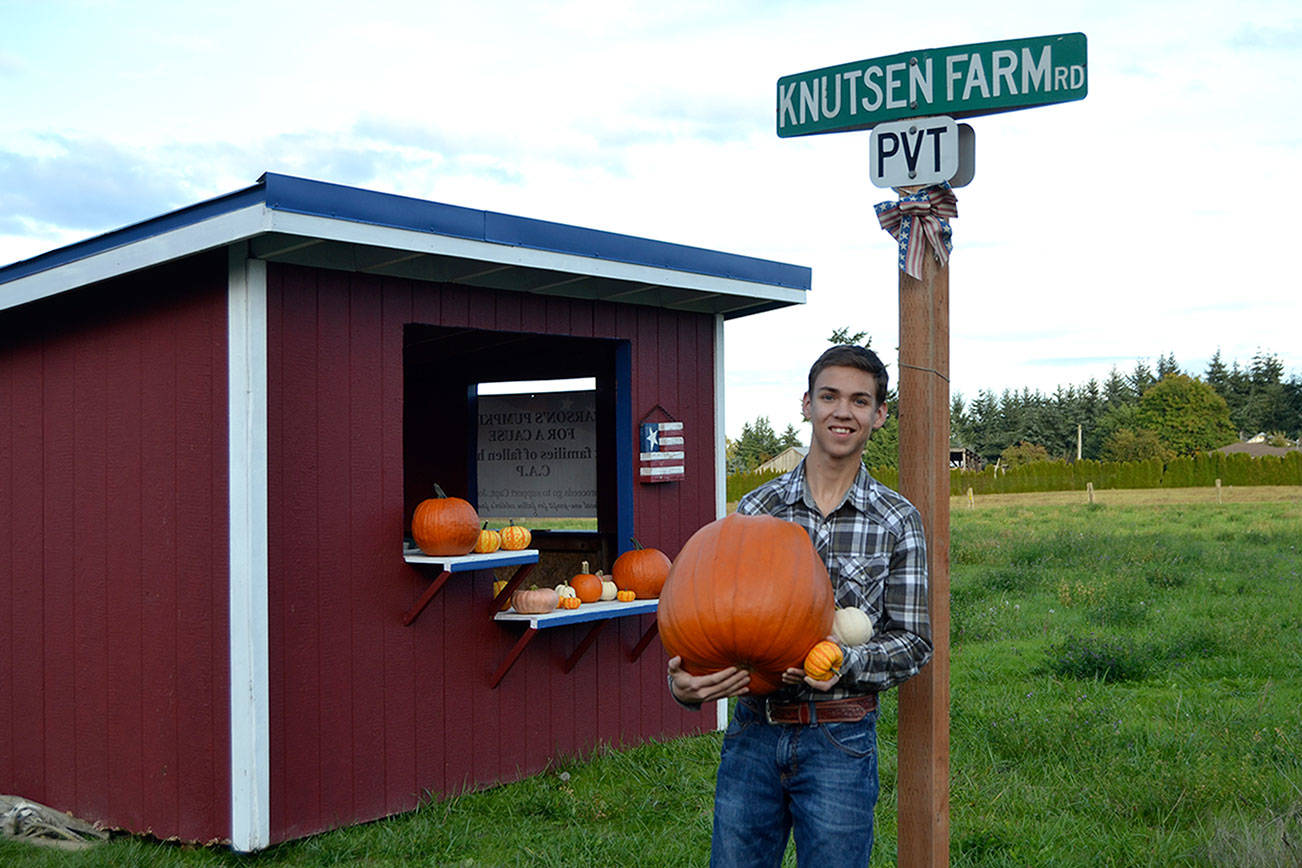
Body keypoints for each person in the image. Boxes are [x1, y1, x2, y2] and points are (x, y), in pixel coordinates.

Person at [668, 343, 933, 867]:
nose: (843, 411)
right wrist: (686, 687)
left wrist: (841, 662)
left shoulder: (897, 520)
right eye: (829, 396)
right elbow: (715, 614)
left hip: (841, 737)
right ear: (806, 404)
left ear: (879, 416)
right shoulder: (755, 509)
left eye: (860, 401)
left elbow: (914, 641)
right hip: (754, 731)